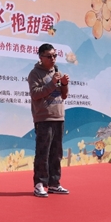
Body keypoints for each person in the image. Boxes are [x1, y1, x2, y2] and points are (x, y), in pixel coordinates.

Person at [28, 43, 70, 197]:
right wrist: (52, 83)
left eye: (54, 55)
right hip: (44, 117)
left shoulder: (57, 72)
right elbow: (35, 94)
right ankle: (39, 184)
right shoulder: (35, 73)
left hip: (58, 116)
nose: (53, 59)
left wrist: (64, 84)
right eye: (49, 56)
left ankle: (54, 183)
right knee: (43, 152)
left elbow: (63, 95)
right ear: (41, 57)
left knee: (56, 153)